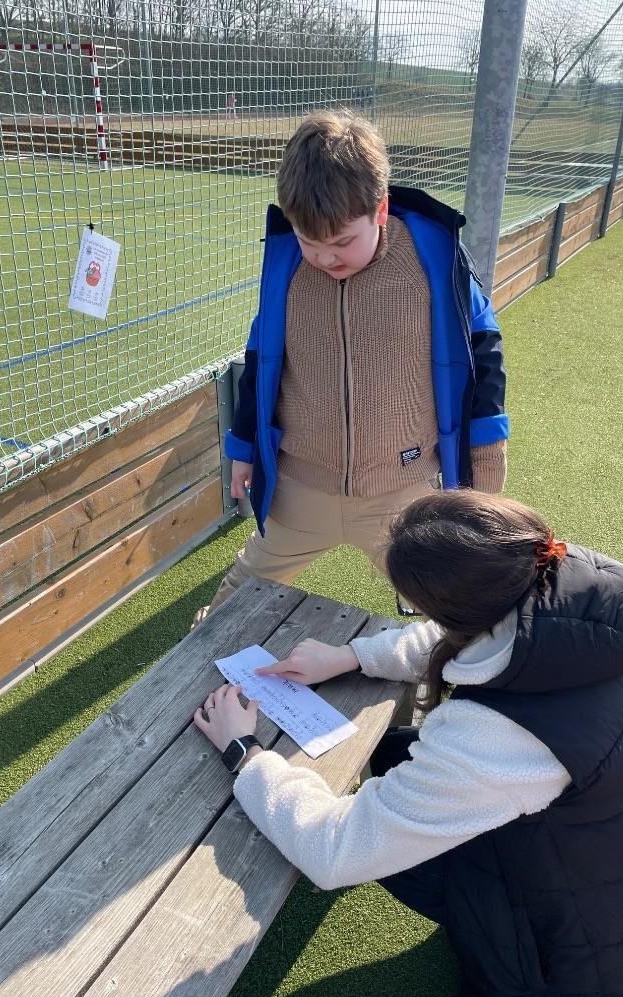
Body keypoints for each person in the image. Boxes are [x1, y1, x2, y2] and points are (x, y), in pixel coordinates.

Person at [193, 490, 623, 997]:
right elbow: (459, 637)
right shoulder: (580, 615)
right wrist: (350, 656)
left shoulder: (501, 737)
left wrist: (245, 752)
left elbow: (336, 852)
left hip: (590, 973)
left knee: (395, 819)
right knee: (394, 753)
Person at [193, 110, 509, 625]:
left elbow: (483, 356)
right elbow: (261, 360)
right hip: (302, 487)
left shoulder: (432, 262)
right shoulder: (289, 269)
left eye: (341, 242)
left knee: (452, 609)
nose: (325, 258)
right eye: (309, 242)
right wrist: (245, 447)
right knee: (235, 601)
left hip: (400, 489)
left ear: (379, 209)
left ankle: (461, 671)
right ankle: (200, 659)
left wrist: (487, 452)